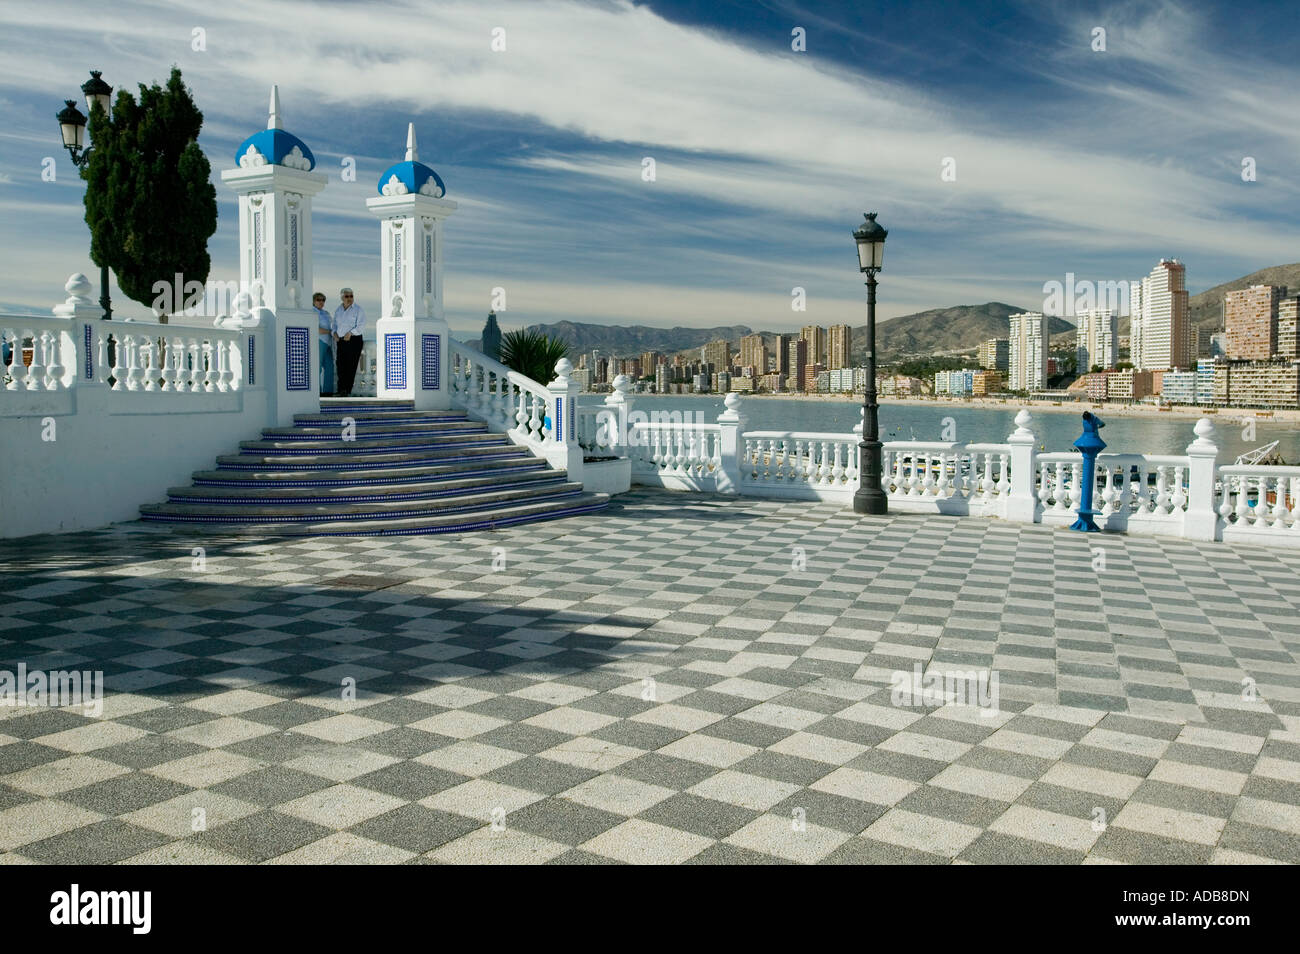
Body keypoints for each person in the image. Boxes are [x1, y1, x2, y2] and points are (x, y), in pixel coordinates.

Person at [332, 288, 366, 397]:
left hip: (354, 340)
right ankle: (340, 389)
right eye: (347, 296)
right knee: (340, 365)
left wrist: (351, 333)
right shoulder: (338, 310)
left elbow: (361, 326)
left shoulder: (358, 310)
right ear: (342, 298)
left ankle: (347, 390)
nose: (349, 298)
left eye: (351, 296)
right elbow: (334, 325)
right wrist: (334, 333)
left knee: (351, 366)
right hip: (341, 341)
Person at [313, 292, 335, 395]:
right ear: (313, 301)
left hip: (328, 343)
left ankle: (327, 391)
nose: (321, 302)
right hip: (319, 341)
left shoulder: (326, 313)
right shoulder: (312, 312)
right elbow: (315, 329)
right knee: (317, 367)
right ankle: (317, 391)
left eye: (323, 300)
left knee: (329, 366)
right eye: (318, 300)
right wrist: (329, 332)